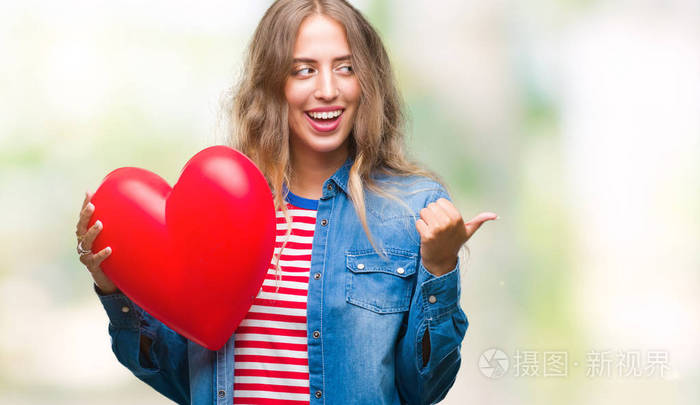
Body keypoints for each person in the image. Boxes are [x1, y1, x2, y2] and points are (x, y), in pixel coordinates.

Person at [75, 0, 498, 404]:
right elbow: (177, 375)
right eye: (304, 70)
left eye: (345, 68)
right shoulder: (223, 210)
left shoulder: (412, 209)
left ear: (367, 82)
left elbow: (425, 389)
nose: (328, 89)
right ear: (274, 83)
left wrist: (440, 269)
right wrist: (113, 284)